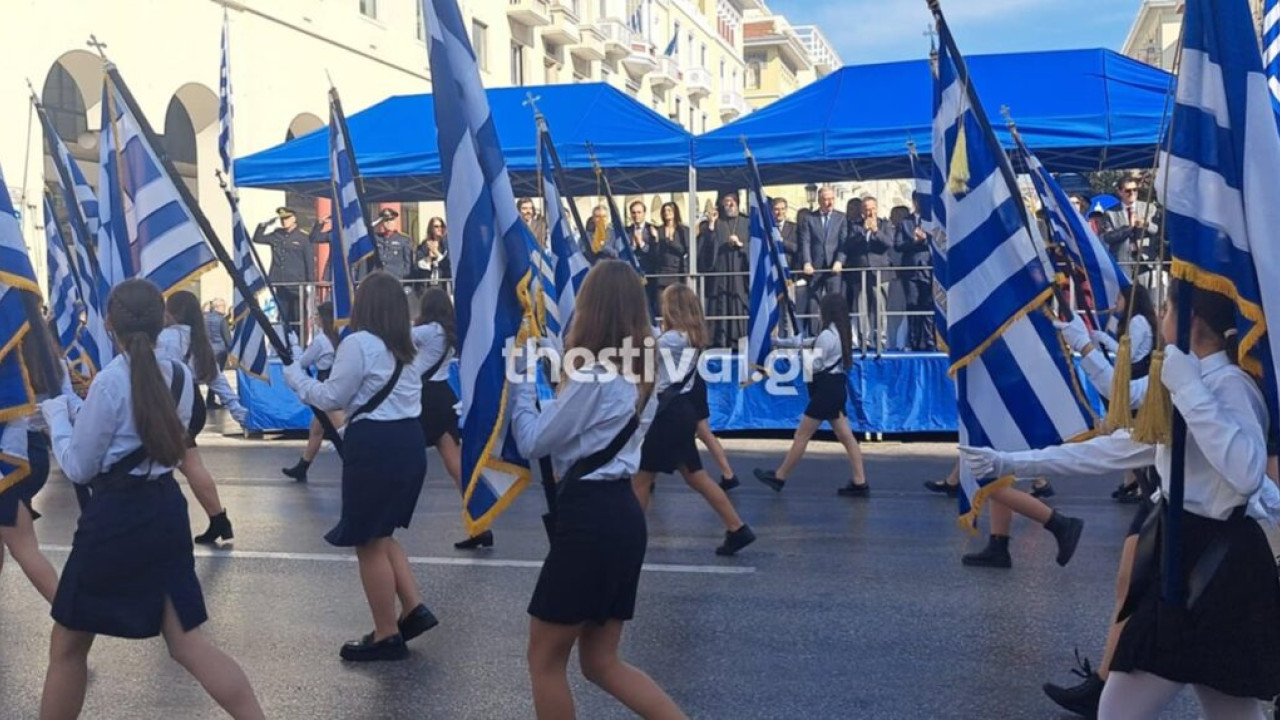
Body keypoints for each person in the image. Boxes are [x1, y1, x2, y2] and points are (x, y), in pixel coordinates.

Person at [963, 284, 1280, 720]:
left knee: (1133, 711)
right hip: (1182, 551)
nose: (1161, 314)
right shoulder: (1188, 378)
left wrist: (1189, 390)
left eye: (1167, 307)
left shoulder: (1230, 386)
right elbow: (1115, 444)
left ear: (1188, 320)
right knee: (1225, 713)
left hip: (1215, 564)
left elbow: (1246, 472)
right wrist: (1011, 461)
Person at [38, 278, 264, 720]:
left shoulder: (109, 382)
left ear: (108, 324)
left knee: (68, 644)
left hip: (116, 516)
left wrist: (57, 420)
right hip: (164, 507)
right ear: (163, 320)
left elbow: (81, 468)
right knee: (187, 642)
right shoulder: (179, 375)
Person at [509, 260, 687, 720]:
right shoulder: (640, 374)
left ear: (592, 308)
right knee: (602, 661)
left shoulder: (595, 375)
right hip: (622, 515)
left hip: (590, 518)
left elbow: (534, 440)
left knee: (544, 661)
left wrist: (517, 386)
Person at [284, 271, 437, 661]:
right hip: (408, 442)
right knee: (382, 534)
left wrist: (297, 381)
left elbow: (333, 396)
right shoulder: (407, 347)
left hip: (376, 445)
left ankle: (386, 633)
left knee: (367, 541)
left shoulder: (359, 344)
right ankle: (413, 608)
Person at [632, 285, 756, 556]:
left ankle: (630, 537)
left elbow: (643, 345)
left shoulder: (672, 340)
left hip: (669, 415)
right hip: (682, 411)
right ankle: (736, 527)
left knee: (641, 477)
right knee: (696, 476)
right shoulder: (685, 337)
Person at [753, 293, 871, 497]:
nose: (817, 312)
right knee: (846, 436)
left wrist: (800, 354)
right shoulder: (842, 332)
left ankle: (780, 476)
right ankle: (860, 481)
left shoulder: (826, 336)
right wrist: (783, 343)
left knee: (802, 435)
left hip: (825, 390)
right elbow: (811, 343)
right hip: (837, 387)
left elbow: (813, 366)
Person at [159, 291, 250, 546]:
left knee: (157, 468)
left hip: (170, 406)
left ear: (171, 312)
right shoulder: (199, 341)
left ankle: (165, 528)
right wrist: (235, 407)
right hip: (193, 404)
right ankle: (218, 520)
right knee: (191, 464)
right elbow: (215, 377)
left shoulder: (165, 339)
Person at [0, 293, 69, 606]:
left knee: (23, 546)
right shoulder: (48, 352)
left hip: (11, 457)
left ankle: (71, 616)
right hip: (35, 453)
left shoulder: (9, 354)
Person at [413, 288, 488, 551]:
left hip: (425, 398)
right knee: (455, 464)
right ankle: (480, 522)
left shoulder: (430, 330)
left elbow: (398, 336)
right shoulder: (446, 331)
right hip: (443, 394)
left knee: (404, 454)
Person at [282, 302, 343, 484]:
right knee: (317, 428)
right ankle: (303, 466)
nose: (314, 318)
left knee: (337, 431)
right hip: (338, 380)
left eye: (317, 315)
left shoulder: (320, 340)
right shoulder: (341, 337)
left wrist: (295, 348)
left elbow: (303, 362)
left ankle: (352, 464)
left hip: (325, 383)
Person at [251, 207, 322, 336]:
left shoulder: (302, 237)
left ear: (294, 219)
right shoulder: (277, 235)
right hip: (280, 282)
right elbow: (257, 238)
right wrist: (263, 225)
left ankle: (300, 345)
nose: (284, 221)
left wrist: (310, 283)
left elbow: (309, 261)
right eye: (282, 219)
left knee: (298, 317)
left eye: (287, 218)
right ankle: (287, 344)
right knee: (284, 317)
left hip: (296, 284)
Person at [699, 190, 750, 347]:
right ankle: (719, 344)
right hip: (720, 274)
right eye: (727, 200)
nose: (731, 204)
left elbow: (755, 246)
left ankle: (739, 343)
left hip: (740, 274)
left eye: (734, 200)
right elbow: (705, 251)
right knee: (719, 308)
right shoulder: (715, 223)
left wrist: (742, 245)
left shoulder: (746, 222)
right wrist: (712, 226)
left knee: (738, 307)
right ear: (721, 203)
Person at [797, 187, 848, 335]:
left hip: (834, 267)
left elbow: (844, 242)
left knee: (834, 302)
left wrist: (840, 261)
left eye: (831, 199)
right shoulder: (809, 218)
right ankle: (815, 335)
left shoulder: (841, 218)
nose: (829, 202)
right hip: (815, 266)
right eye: (825, 199)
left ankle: (835, 334)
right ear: (819, 201)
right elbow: (805, 241)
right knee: (814, 302)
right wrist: (807, 262)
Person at [848, 195, 892, 354]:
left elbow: (889, 244)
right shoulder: (854, 226)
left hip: (880, 273)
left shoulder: (885, 224)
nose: (870, 212)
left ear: (877, 209)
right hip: (860, 273)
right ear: (862, 211)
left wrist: (875, 231)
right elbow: (849, 246)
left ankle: (880, 339)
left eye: (872, 209)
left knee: (880, 308)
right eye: (866, 209)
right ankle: (864, 340)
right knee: (862, 307)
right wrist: (863, 232)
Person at [895, 194, 936, 352]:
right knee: (913, 306)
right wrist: (914, 241)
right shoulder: (905, 222)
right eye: (918, 200)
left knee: (928, 305)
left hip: (928, 268)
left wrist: (925, 239)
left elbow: (939, 240)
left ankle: (929, 341)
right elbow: (898, 245)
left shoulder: (932, 220)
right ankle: (914, 341)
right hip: (911, 270)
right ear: (914, 202)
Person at [1101, 176, 1160, 268]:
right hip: (1122, 262)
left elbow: (1158, 230)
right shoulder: (1110, 213)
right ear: (1120, 192)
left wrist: (1146, 225)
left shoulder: (1150, 208)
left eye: (1135, 190)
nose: (1132, 193)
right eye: (1128, 191)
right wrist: (1129, 227)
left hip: (1146, 260)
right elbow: (1108, 237)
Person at [649, 202, 688, 314]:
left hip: (677, 273)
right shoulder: (659, 230)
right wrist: (656, 240)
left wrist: (671, 242)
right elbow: (655, 254)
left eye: (669, 210)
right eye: (664, 211)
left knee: (677, 307)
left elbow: (685, 250)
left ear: (675, 212)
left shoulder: (683, 230)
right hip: (662, 273)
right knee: (662, 307)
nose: (667, 213)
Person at [627, 201, 660, 315]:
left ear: (644, 213)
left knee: (649, 302)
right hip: (632, 273)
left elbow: (654, 253)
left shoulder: (653, 230)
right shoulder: (626, 231)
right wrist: (633, 246)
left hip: (648, 273)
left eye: (639, 212)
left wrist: (641, 243)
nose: (636, 215)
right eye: (634, 212)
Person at [370, 208, 414, 282]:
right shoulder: (376, 238)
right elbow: (364, 232)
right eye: (386, 220)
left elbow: (408, 265)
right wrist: (376, 222)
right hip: (378, 279)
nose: (389, 223)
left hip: (396, 279)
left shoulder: (404, 240)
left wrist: (402, 276)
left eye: (391, 220)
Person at [203, 299, 231, 409]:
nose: (224, 307)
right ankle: (215, 400)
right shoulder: (221, 320)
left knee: (212, 375)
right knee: (217, 375)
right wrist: (231, 351)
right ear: (216, 307)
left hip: (207, 350)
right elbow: (227, 338)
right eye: (222, 305)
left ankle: (210, 400)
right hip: (220, 351)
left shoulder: (204, 318)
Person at [410, 216, 451, 292]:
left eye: (442, 226)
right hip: (427, 285)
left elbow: (449, 266)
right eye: (436, 226)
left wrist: (437, 253)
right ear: (431, 228)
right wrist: (428, 258)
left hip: (443, 285)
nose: (440, 228)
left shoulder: (447, 245)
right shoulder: (424, 245)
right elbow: (417, 266)